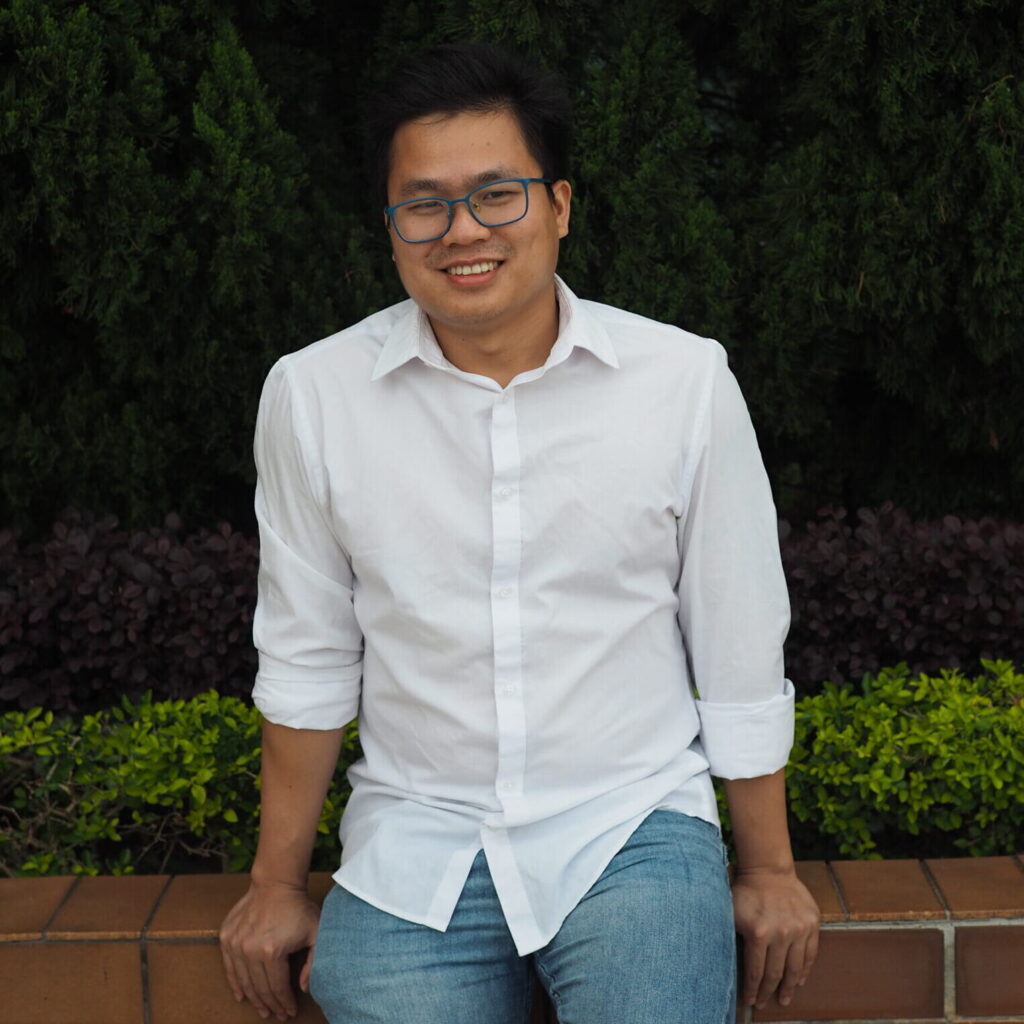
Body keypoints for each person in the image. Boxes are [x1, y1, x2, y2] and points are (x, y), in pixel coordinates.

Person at [219, 40, 820, 1024]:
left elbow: (738, 641)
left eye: (498, 195)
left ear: (559, 205)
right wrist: (276, 884)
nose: (463, 230)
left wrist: (769, 869)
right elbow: (307, 653)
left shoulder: (682, 381)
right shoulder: (314, 394)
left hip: (631, 822)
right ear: (390, 224)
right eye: (424, 204)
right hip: (417, 838)